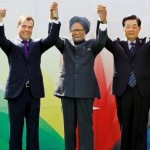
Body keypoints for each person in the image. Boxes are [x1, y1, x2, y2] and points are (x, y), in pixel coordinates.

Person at [0, 4, 60, 150]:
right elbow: (0, 39)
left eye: (30, 27)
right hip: (16, 94)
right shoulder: (10, 45)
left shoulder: (37, 45)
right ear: (18, 27)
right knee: (15, 132)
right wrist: (0, 20)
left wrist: (54, 18)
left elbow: (52, 39)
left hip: (34, 93)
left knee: (33, 132)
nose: (27, 29)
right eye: (24, 26)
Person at [50, 3, 107, 150]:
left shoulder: (92, 44)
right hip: (67, 91)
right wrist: (54, 19)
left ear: (86, 31)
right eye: (74, 30)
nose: (76, 32)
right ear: (70, 31)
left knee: (85, 129)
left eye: (80, 30)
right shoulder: (64, 44)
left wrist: (103, 20)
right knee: (69, 129)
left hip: (85, 92)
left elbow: (102, 40)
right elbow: (52, 38)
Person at [97, 4, 150, 150]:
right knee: (125, 126)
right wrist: (102, 20)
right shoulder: (116, 44)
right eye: (127, 26)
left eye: (134, 26)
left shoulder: (147, 43)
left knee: (140, 127)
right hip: (123, 90)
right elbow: (102, 39)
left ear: (139, 28)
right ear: (123, 29)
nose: (131, 29)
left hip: (142, 91)